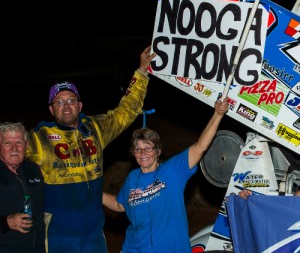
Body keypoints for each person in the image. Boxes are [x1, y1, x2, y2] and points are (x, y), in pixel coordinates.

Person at [24, 46, 156, 253]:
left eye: (71, 100)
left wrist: (141, 72)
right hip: (59, 232)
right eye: (59, 102)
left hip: (93, 229)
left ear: (80, 105)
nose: (66, 106)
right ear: (51, 109)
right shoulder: (39, 138)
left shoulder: (95, 128)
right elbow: (8, 148)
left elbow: (127, 110)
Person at [103, 98, 229, 252]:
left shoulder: (172, 171)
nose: (143, 153)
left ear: (158, 152)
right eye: (137, 149)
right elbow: (120, 205)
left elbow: (201, 145)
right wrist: (96, 193)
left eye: (148, 148)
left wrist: (217, 115)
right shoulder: (132, 178)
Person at [0, 122, 45, 253]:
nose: (14, 148)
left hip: (38, 248)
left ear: (26, 146)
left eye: (19, 143)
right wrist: (6, 222)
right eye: (7, 143)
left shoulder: (34, 169)